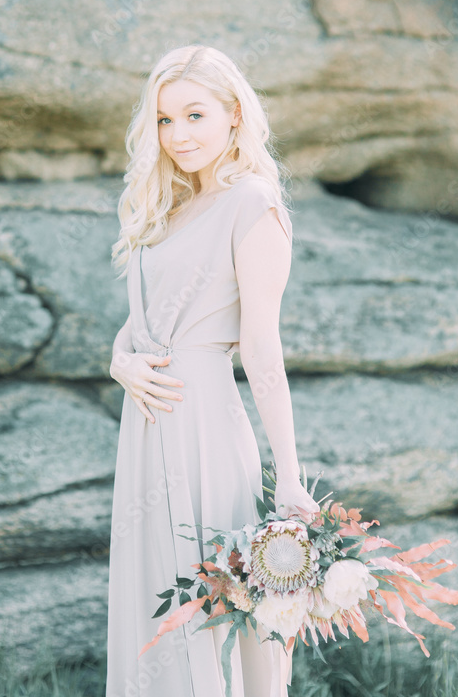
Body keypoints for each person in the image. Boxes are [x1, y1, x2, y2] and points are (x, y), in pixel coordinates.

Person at [105, 44, 317, 697]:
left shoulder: (254, 204)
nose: (178, 136)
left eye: (194, 115)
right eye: (165, 121)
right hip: (143, 429)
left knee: (213, 613)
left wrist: (289, 475)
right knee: (153, 605)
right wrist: (119, 364)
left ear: (232, 114)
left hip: (204, 428)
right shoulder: (166, 209)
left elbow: (260, 348)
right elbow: (139, 323)